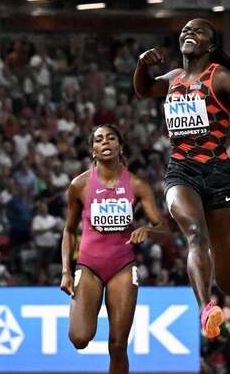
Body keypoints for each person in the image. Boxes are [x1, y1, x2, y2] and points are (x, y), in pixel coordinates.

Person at [134, 18, 230, 338]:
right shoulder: (173, 79)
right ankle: (206, 309)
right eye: (185, 30)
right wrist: (141, 65)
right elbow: (144, 89)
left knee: (229, 281)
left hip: (218, 175)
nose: (189, 33)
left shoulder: (223, 79)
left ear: (211, 46)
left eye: (198, 31)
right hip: (180, 171)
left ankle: (220, 292)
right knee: (194, 234)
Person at [60, 125, 165, 374]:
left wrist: (148, 231)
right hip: (89, 265)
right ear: (93, 150)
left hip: (122, 266)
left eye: (111, 138)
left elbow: (163, 228)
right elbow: (68, 231)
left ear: (120, 146)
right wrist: (66, 270)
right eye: (99, 139)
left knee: (118, 345)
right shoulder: (80, 185)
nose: (105, 142)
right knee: (79, 337)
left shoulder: (137, 185)